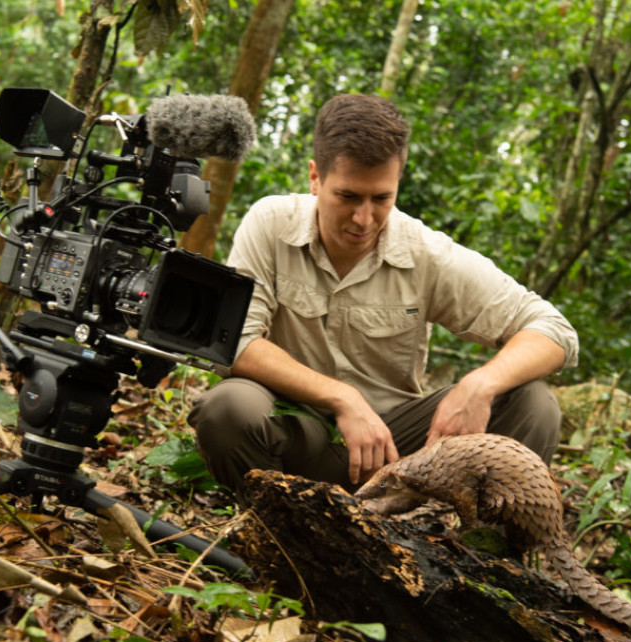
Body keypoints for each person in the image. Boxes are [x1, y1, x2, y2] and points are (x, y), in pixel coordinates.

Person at [188, 93, 578, 505]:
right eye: (348, 196)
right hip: (295, 433)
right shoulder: (271, 223)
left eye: (381, 199)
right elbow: (236, 340)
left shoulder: (425, 252)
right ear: (315, 177)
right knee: (228, 407)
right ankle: (277, 521)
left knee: (533, 403)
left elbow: (553, 330)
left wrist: (480, 384)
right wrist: (341, 397)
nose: (363, 219)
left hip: (398, 451)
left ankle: (483, 542)